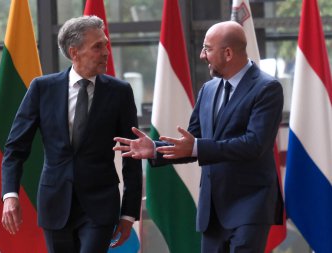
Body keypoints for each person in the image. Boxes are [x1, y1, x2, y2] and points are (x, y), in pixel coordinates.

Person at [114, 21, 284, 253]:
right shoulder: (209, 89)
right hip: (211, 210)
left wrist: (196, 148)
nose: (202, 55)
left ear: (228, 53)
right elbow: (191, 142)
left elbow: (254, 144)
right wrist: (154, 149)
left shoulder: (267, 88)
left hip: (249, 207)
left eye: (207, 48)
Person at [1, 15, 142, 253]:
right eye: (98, 46)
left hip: (100, 207)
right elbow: (15, 148)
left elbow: (133, 155)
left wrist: (128, 214)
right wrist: (10, 194)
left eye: (105, 44)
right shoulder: (42, 89)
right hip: (55, 204)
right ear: (74, 52)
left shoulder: (120, 92)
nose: (106, 52)